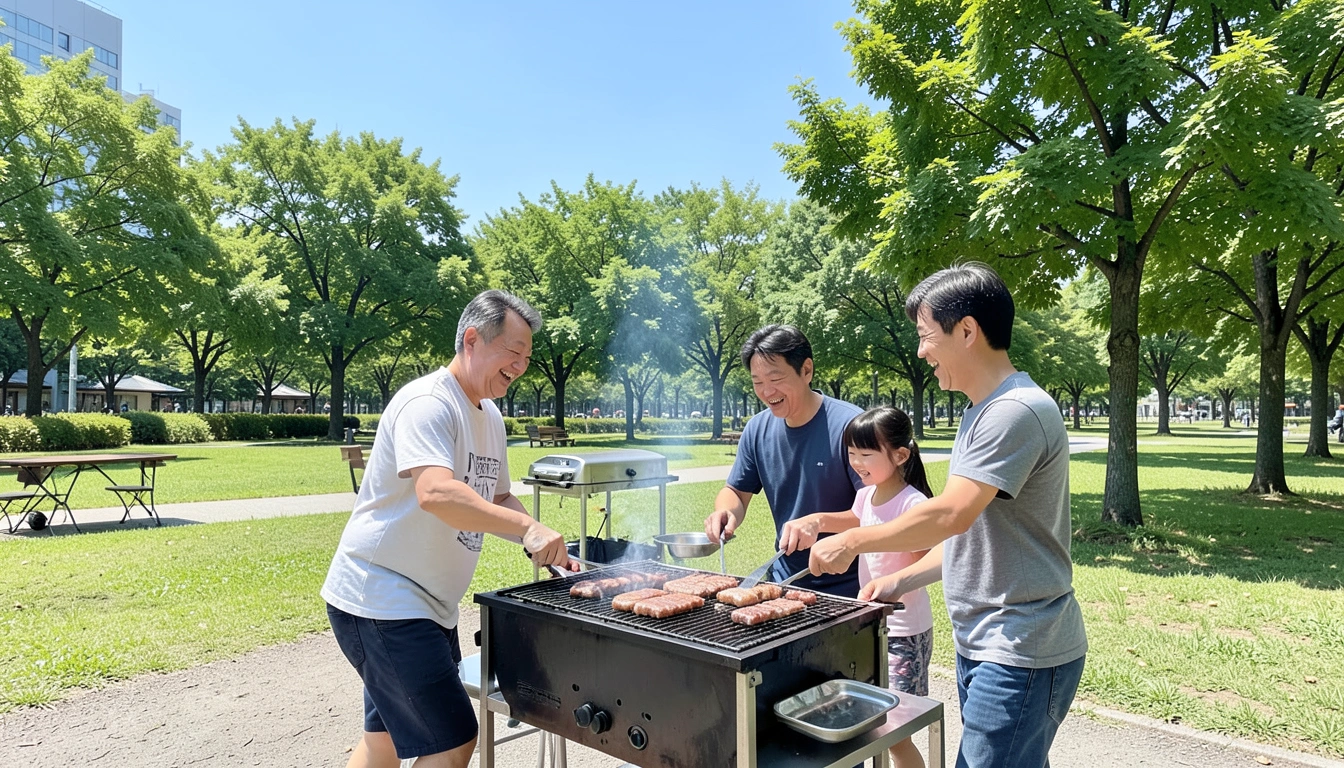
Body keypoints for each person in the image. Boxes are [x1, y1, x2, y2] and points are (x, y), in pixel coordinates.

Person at [809, 263, 1087, 768]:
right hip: (987, 640)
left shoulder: (1014, 411)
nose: (920, 352)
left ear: (966, 331)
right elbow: (971, 537)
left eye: (925, 335)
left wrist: (851, 542)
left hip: (1020, 644)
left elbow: (952, 515)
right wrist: (901, 580)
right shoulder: (980, 411)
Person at [322, 289, 571, 768]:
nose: (520, 366)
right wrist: (524, 529)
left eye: (526, 358)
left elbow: (496, 496)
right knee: (453, 740)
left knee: (386, 742)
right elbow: (435, 492)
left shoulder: (490, 415)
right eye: (513, 353)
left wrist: (537, 531)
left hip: (428, 606)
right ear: (473, 339)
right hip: (382, 599)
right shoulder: (428, 402)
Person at [784, 406, 936, 768]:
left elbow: (930, 559)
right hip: (871, 629)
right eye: (851, 454)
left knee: (894, 729)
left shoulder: (914, 504)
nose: (856, 463)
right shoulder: (868, 495)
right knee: (871, 720)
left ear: (900, 455)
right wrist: (817, 522)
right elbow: (856, 520)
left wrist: (895, 581)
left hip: (904, 632)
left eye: (865, 454)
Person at [703, 325, 864, 597]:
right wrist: (726, 512)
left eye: (775, 378)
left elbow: (881, 512)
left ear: (807, 370)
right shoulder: (757, 430)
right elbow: (736, 492)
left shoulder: (852, 427)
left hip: (851, 587)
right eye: (757, 382)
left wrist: (818, 522)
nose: (767, 391)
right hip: (784, 583)